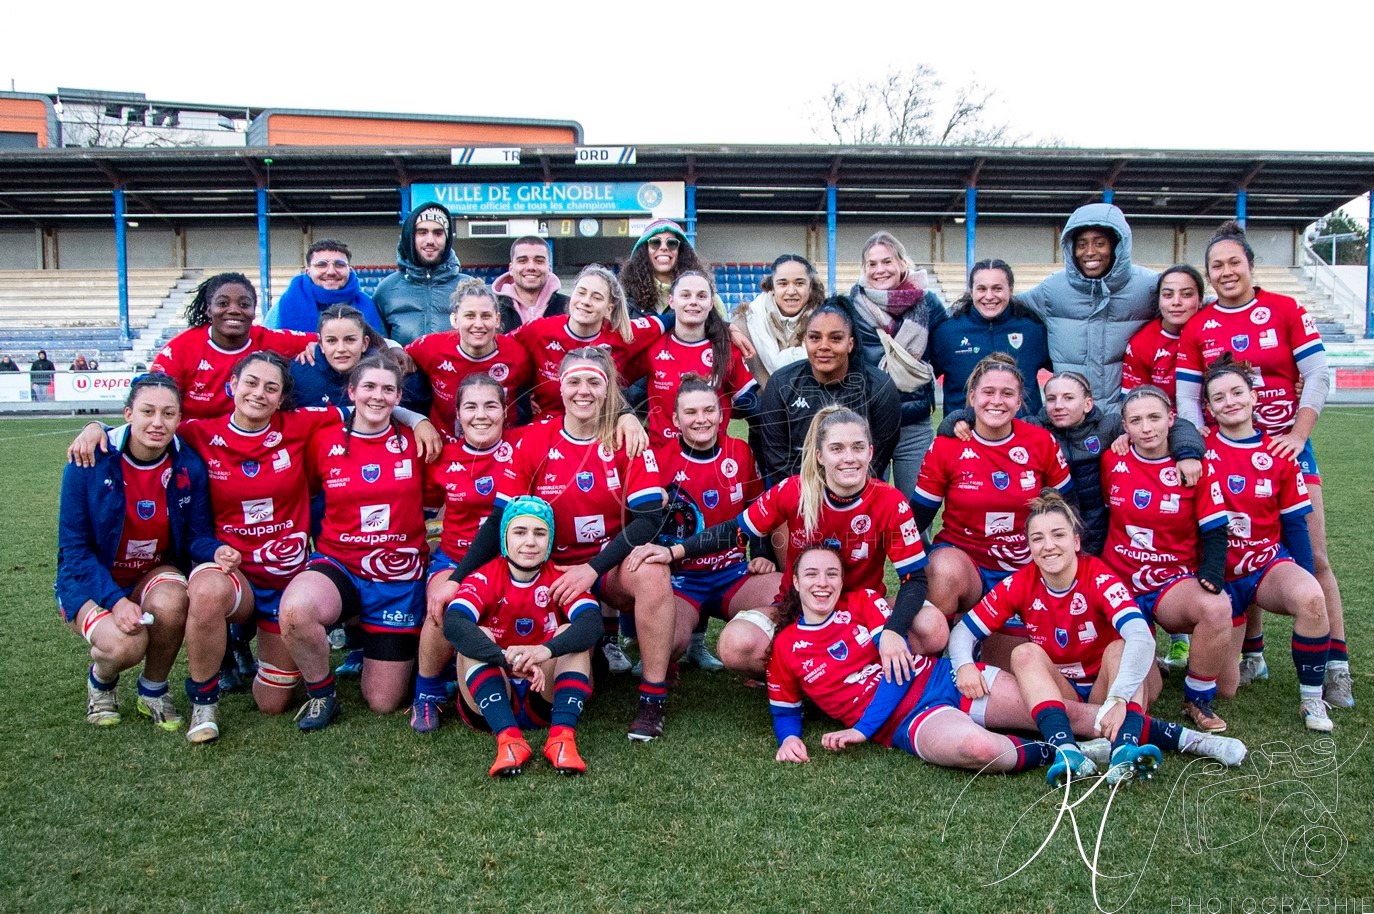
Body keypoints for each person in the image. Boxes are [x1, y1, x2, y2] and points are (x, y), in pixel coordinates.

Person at [67, 351, 440, 742]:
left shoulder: (302, 425)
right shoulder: (199, 433)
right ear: (232, 385)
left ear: (282, 398)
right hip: (235, 573)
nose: (259, 393)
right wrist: (97, 427)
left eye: (271, 387)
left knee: (275, 702)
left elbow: (372, 407)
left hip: (287, 575)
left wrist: (419, 418)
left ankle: (286, 658)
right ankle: (204, 702)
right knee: (206, 590)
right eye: (250, 383)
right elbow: (149, 426)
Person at [444, 347, 675, 741]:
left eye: (593, 382)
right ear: (560, 385)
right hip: (548, 570)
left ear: (608, 391)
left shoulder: (627, 438)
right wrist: (458, 576)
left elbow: (650, 519)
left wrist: (592, 569)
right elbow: (502, 519)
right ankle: (450, 687)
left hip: (605, 565)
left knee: (653, 571)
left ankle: (652, 698)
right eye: (574, 381)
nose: (582, 391)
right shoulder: (533, 441)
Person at [949, 491, 1247, 786]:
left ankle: (1124, 749)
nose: (1048, 546)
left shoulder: (1099, 577)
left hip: (1110, 684)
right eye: (1038, 538)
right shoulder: (1021, 582)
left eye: (1058, 535)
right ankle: (1067, 751)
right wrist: (963, 665)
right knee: (1024, 654)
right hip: (1063, 687)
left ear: (1076, 541)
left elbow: (1141, 638)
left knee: (1121, 647)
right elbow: (964, 631)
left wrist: (1117, 697)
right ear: (1029, 547)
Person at [1174, 221, 1350, 710]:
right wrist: (1201, 437)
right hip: (1227, 452)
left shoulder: (1286, 309)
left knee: (1313, 557)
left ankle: (1336, 665)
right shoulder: (1200, 325)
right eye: (1217, 266)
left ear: (1251, 265)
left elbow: (1317, 373)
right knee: (1235, 548)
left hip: (1285, 450)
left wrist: (1297, 435)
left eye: (1234, 262)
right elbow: (1187, 394)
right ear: (1209, 275)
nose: (1226, 271)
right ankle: (1251, 652)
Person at [769, 542, 1110, 774]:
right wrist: (789, 738)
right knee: (980, 749)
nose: (822, 583)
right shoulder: (785, 646)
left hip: (941, 679)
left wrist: (862, 729)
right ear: (796, 582)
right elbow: (784, 708)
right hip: (907, 722)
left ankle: (1145, 735)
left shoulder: (861, 603)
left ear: (842, 580)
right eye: (811, 574)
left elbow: (897, 672)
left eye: (832, 574)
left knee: (1066, 713)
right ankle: (1065, 753)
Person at [663, 405, 942, 678]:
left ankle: (814, 673)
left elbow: (914, 579)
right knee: (735, 644)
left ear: (870, 452)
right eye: (837, 449)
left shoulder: (889, 501)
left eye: (858, 447)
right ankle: (840, 672)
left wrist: (892, 630)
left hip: (863, 613)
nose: (849, 457)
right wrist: (675, 551)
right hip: (797, 612)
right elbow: (735, 530)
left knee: (934, 627)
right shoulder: (794, 490)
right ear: (820, 455)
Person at [55, 373, 228, 730]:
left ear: (179, 419)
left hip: (149, 571)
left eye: (168, 414)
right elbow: (74, 550)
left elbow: (196, 535)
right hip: (89, 579)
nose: (157, 422)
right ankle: (101, 683)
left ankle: (153, 691)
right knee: (125, 645)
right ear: (128, 413)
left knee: (174, 599)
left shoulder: (188, 465)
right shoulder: (88, 460)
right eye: (147, 411)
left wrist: (218, 550)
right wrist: (116, 602)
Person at [278, 354, 431, 730]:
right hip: (340, 563)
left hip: (399, 575)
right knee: (297, 611)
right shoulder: (323, 439)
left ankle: (398, 655)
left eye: (388, 389)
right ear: (351, 392)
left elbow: (443, 498)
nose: (377, 397)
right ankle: (322, 694)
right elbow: (310, 491)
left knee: (383, 701)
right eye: (369, 387)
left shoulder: (418, 440)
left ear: (399, 398)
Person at [1200, 354, 1333, 732]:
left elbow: (1295, 526)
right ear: (1209, 408)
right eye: (1220, 397)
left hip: (1265, 565)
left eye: (1237, 392)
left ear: (1254, 396)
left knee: (1310, 598)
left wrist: (1306, 578)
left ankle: (1312, 700)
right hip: (1219, 579)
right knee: (1226, 690)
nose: (1230, 402)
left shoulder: (1279, 454)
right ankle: (1247, 655)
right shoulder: (1198, 452)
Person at [938, 369, 1206, 556]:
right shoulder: (1034, 428)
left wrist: (1188, 454)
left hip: (1100, 526)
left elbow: (1175, 424)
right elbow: (987, 416)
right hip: (1054, 525)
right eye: (1052, 398)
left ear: (1088, 403)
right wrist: (956, 420)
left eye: (1068, 398)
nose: (1058, 405)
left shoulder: (1109, 426)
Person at [912, 354, 1071, 666]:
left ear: (1020, 401)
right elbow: (918, 516)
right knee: (942, 570)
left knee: (1007, 670)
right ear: (972, 397)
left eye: (1007, 393)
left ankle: (972, 638)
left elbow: (1065, 510)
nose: (996, 401)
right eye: (987, 392)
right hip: (966, 562)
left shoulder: (1040, 442)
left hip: (1022, 567)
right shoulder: (948, 445)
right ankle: (928, 668)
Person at [622, 378, 781, 675]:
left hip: (732, 573)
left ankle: (760, 657)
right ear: (675, 419)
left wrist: (761, 552)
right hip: (682, 580)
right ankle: (687, 640)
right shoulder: (658, 461)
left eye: (709, 410)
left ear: (721, 414)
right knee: (666, 646)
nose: (701, 419)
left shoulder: (741, 452)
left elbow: (758, 508)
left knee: (789, 597)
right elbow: (638, 522)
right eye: (691, 412)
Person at [1104, 385, 1236, 732]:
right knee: (1147, 691)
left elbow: (1215, 531)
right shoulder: (1112, 459)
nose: (1146, 428)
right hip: (1120, 584)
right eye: (1136, 420)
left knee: (1217, 608)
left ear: (1171, 420)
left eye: (1154, 418)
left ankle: (1197, 699)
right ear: (1125, 427)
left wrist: (1210, 573)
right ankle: (1151, 665)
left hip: (1170, 582)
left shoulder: (1193, 467)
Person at [445, 496, 601, 776]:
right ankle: (508, 740)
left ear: (550, 539)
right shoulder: (484, 576)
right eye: (520, 532)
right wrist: (505, 658)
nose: (530, 541)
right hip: (492, 694)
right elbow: (454, 624)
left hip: (543, 696)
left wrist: (544, 651)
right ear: (504, 537)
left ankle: (561, 739)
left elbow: (592, 624)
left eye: (540, 532)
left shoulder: (561, 577)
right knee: (475, 634)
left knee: (571, 634)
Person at [410, 374, 514, 733]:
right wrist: (417, 419)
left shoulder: (525, 447)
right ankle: (427, 692)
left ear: (505, 411)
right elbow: (423, 511)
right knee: (443, 602)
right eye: (470, 406)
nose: (480, 415)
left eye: (490, 406)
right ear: (456, 412)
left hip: (512, 563)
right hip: (454, 559)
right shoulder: (442, 455)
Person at [1019, 203, 1159, 403]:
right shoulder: (1053, 289)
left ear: (1116, 246)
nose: (1090, 252)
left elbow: (1193, 303)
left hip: (1128, 416)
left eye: (1100, 243)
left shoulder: (1148, 286)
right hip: (1072, 418)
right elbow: (1006, 304)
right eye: (1082, 244)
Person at [845, 231, 946, 497]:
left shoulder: (930, 304)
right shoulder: (852, 305)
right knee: (863, 507)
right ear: (864, 269)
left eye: (887, 261)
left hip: (914, 424)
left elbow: (941, 354)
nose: (880, 270)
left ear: (902, 263)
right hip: (867, 424)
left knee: (916, 509)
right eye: (873, 264)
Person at [757, 302, 901, 483]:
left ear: (850, 344)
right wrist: (810, 495)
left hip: (857, 489)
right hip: (797, 490)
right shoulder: (780, 383)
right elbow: (776, 457)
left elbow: (877, 459)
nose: (824, 346)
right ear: (805, 342)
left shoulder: (879, 387)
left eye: (835, 338)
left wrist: (841, 496)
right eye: (815, 338)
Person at [511, 264, 669, 419]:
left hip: (600, 433)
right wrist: (523, 395)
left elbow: (671, 319)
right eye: (581, 293)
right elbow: (499, 351)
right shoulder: (539, 330)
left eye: (597, 297)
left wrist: (627, 418)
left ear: (609, 309)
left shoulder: (624, 335)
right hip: (546, 433)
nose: (586, 301)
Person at [150, 273, 313, 420]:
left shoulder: (269, 339)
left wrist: (315, 347)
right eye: (223, 303)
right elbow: (152, 400)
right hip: (195, 446)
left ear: (253, 312)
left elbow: (331, 341)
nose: (234, 310)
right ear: (209, 310)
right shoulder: (180, 349)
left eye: (244, 305)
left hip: (256, 443)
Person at [640, 271, 757, 446]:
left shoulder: (726, 349)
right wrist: (626, 416)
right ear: (671, 301)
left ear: (711, 303)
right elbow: (618, 381)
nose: (693, 301)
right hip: (662, 457)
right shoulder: (651, 347)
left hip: (714, 458)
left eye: (701, 296)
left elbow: (750, 404)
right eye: (685, 295)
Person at [406, 279, 534, 440]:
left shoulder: (517, 354)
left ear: (497, 319)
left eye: (486, 316)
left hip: (502, 449)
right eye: (470, 316)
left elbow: (535, 390)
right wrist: (418, 421)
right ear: (455, 320)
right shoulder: (430, 348)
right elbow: (393, 361)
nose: (478, 324)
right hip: (446, 450)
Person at [929, 259, 1052, 416]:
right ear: (971, 290)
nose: (989, 296)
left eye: (997, 289)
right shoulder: (946, 332)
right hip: (965, 435)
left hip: (1023, 436)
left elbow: (1064, 370)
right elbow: (924, 379)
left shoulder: (1033, 330)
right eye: (981, 289)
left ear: (1010, 290)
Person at [372, 204, 490, 345]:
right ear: (410, 236)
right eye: (422, 232)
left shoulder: (468, 288)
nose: (430, 241)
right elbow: (377, 347)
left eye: (438, 233)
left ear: (447, 239)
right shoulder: (386, 289)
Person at [290, 304, 428, 412]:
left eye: (350, 340)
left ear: (364, 343)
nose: (341, 349)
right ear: (320, 344)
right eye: (331, 341)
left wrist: (416, 421)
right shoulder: (299, 374)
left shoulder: (396, 373)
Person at [730, 254, 824, 390]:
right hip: (759, 408)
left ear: (810, 287)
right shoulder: (743, 325)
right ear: (772, 287)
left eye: (799, 283)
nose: (791, 291)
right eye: (783, 283)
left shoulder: (828, 323)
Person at [1121, 265, 1206, 401]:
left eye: (1186, 294)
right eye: (1168, 295)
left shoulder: (1214, 330)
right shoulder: (1141, 344)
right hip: (1164, 420)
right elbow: (1135, 403)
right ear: (1159, 301)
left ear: (1200, 300)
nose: (1176, 302)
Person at [263, 239, 384, 333]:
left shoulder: (367, 304)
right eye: (321, 265)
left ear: (350, 270)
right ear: (308, 271)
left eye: (339, 264)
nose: (331, 271)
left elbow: (380, 347)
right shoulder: (283, 306)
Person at [619, 219, 725, 316]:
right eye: (655, 242)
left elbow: (721, 331)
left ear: (681, 251)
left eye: (672, 243)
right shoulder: (623, 299)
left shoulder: (708, 298)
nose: (664, 247)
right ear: (644, 251)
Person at [492, 236, 568, 324]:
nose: (531, 267)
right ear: (511, 269)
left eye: (539, 261)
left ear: (549, 268)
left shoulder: (568, 308)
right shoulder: (492, 307)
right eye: (522, 261)